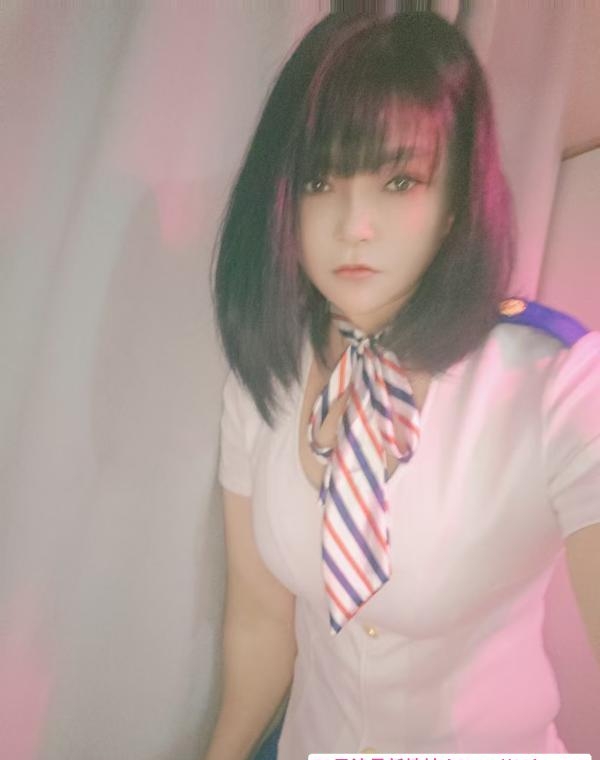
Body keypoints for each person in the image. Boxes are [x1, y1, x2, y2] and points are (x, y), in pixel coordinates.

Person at [206, 11, 600, 759]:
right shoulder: (265, 380)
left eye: (398, 181)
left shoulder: (558, 384)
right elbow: (260, 622)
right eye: (321, 180)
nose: (355, 224)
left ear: (455, 202)